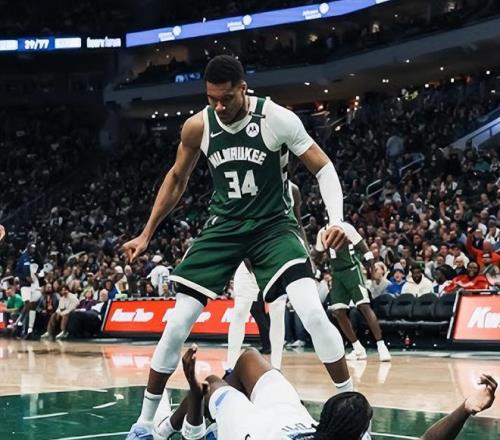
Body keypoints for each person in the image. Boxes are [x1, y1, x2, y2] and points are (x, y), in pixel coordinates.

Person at [123, 55, 351, 439]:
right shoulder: (198, 126)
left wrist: (337, 220)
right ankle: (145, 425)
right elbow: (177, 177)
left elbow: (323, 166)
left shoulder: (276, 118)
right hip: (225, 226)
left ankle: (355, 412)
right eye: (211, 98)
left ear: (243, 89)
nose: (219, 106)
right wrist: (147, 232)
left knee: (313, 312)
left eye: (226, 98)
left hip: (273, 226)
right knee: (177, 323)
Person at [156, 345, 497, 440]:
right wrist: (465, 408)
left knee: (211, 382)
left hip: (254, 429)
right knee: (249, 359)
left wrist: (194, 395)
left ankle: (166, 428)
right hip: (290, 415)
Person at [226, 182, 305, 370]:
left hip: (275, 259)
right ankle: (230, 366)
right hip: (248, 260)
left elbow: (298, 225)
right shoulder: (251, 183)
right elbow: (238, 224)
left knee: (277, 313)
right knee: (239, 312)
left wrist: (306, 254)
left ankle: (276, 367)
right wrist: (243, 255)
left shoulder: (293, 189)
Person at [313, 222, 391, 362]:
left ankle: (381, 346)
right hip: (336, 274)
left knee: (363, 306)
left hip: (352, 270)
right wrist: (316, 257)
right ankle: (358, 348)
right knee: (338, 312)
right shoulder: (322, 232)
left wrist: (372, 268)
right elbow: (317, 256)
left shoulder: (346, 227)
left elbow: (366, 250)